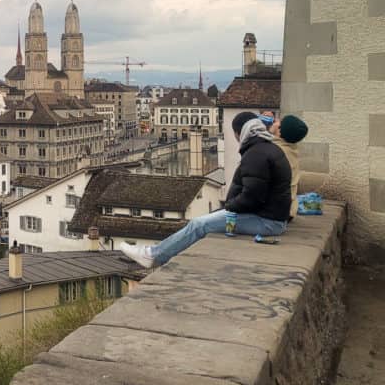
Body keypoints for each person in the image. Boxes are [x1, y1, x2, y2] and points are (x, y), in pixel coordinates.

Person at [119, 112, 293, 268]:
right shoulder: (268, 149)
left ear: (240, 133)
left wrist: (230, 207)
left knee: (199, 225)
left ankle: (152, 255)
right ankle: (153, 252)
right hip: (272, 217)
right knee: (206, 220)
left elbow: (253, 196)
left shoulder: (256, 154)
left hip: (267, 222)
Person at [271, 114, 309, 218]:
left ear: (279, 131)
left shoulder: (276, 151)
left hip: (277, 213)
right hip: (289, 210)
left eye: (279, 121)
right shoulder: (290, 148)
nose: (276, 120)